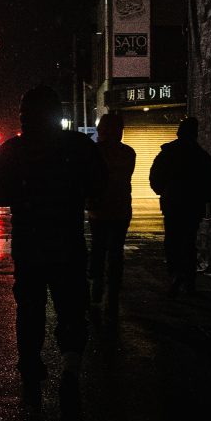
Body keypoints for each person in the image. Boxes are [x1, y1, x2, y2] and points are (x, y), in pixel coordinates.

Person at [0, 85, 107, 385]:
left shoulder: (13, 149)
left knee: (30, 306)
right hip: (68, 240)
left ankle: (30, 361)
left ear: (25, 114)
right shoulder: (79, 146)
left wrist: (25, 194)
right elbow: (99, 185)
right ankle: (70, 363)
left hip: (30, 243)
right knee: (71, 304)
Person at [149, 117, 211, 295]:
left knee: (172, 240)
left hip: (172, 204)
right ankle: (189, 280)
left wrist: (163, 192)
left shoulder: (168, 153)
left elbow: (155, 177)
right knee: (189, 241)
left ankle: (174, 274)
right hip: (193, 205)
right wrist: (204, 198)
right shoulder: (201, 155)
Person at [87, 112, 136, 319]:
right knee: (116, 250)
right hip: (121, 208)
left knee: (98, 247)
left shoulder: (95, 152)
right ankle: (113, 290)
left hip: (99, 209)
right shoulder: (128, 153)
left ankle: (97, 285)